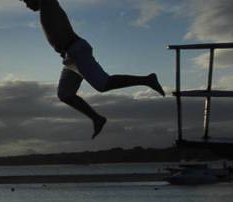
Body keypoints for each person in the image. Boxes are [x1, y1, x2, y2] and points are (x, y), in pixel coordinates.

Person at [22, 0, 164, 139]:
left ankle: (147, 79)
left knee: (103, 84)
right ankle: (97, 119)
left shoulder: (48, 3)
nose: (27, 5)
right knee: (65, 94)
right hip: (70, 57)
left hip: (77, 51)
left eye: (26, 0)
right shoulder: (46, 10)